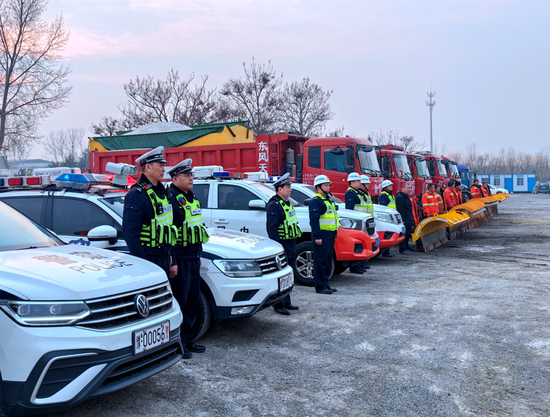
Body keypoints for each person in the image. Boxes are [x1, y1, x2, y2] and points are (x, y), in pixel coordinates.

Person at [168, 159, 209, 358]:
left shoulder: (192, 198)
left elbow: (198, 229)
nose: (191, 178)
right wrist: (173, 260)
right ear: (175, 179)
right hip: (181, 257)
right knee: (180, 300)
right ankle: (178, 343)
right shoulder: (171, 199)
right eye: (186, 176)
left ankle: (188, 338)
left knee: (192, 299)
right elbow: (170, 234)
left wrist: (198, 255)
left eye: (192, 175)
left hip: (193, 256)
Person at [123, 146, 175, 279]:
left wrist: (170, 256)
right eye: (160, 165)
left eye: (164, 165)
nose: (164, 169)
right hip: (148, 257)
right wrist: (143, 264)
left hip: (164, 256)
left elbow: (168, 228)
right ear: (148, 167)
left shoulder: (162, 192)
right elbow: (131, 234)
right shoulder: (137, 195)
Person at [266, 173, 301, 315]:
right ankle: (278, 305)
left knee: (288, 275)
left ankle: (287, 302)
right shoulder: (274, 205)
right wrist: (277, 248)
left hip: (290, 243)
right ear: (279, 189)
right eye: (287, 187)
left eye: (290, 187)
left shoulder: (286, 203)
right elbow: (272, 229)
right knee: (280, 276)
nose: (290, 189)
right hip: (281, 245)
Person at [309, 175, 338, 294]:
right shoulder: (316, 201)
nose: (328, 187)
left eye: (328, 185)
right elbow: (314, 221)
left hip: (330, 235)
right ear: (318, 187)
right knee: (320, 262)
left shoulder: (329, 200)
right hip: (322, 235)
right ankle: (320, 286)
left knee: (326, 261)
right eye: (325, 185)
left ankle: (325, 283)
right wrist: (317, 236)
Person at [344, 172, 370, 273]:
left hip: (362, 222)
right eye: (358, 181)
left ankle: (360, 263)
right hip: (356, 223)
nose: (360, 182)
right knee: (357, 245)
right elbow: (350, 210)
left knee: (362, 244)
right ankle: (354, 266)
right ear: (352, 182)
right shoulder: (350, 193)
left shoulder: (357, 192)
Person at [395, 182, 414, 254]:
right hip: (404, 219)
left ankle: (406, 246)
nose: (409, 190)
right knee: (403, 234)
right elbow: (400, 210)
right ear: (402, 188)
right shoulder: (400, 197)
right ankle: (402, 248)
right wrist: (402, 220)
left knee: (407, 233)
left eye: (410, 188)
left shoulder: (406, 196)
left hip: (408, 218)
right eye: (408, 188)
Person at [378, 180, 396, 257]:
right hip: (387, 218)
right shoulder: (383, 195)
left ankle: (387, 251)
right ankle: (385, 252)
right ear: (386, 187)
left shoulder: (390, 195)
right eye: (390, 186)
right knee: (387, 234)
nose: (392, 187)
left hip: (391, 217)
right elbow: (383, 207)